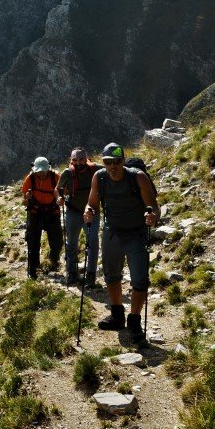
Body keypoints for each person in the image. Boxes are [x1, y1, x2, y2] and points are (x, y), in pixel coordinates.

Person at [83, 143, 160, 342]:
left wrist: (151, 216)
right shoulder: (98, 178)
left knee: (140, 279)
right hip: (112, 233)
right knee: (111, 275)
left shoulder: (138, 177)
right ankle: (117, 315)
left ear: (123, 161)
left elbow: (153, 206)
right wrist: (89, 211)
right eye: (108, 162)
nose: (113, 166)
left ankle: (134, 320)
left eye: (117, 161)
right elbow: (92, 203)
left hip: (136, 233)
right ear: (104, 163)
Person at [58, 148, 101, 286]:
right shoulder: (67, 173)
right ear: (71, 160)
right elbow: (58, 189)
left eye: (81, 159)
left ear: (86, 159)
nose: (78, 163)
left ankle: (91, 275)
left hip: (92, 212)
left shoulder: (95, 170)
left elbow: (112, 170)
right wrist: (59, 198)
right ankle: (72, 273)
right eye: (75, 160)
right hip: (73, 212)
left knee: (93, 243)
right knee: (71, 243)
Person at [21, 157, 64, 280]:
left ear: (48, 169)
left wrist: (60, 199)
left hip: (52, 212)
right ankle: (33, 269)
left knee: (58, 242)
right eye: (39, 171)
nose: (41, 173)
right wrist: (27, 199)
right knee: (33, 241)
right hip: (35, 212)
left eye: (44, 171)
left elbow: (62, 193)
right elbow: (23, 202)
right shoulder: (30, 179)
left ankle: (53, 260)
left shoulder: (55, 177)